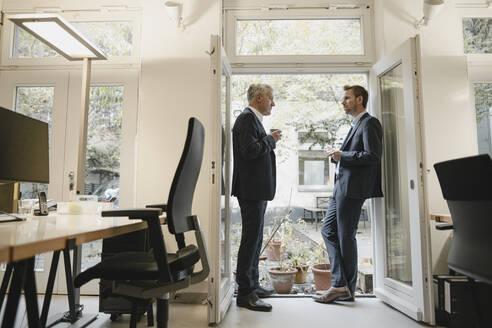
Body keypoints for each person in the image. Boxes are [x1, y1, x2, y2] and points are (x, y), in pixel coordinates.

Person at [313, 85, 383, 303]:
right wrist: (339, 155)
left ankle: (343, 288)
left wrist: (342, 155)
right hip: (341, 188)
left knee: (345, 237)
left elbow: (372, 156)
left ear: (359, 99)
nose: (342, 102)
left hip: (352, 190)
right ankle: (341, 284)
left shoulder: (369, 122)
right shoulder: (357, 124)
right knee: (328, 232)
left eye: (347, 98)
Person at [232, 84, 281, 312]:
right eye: (271, 98)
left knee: (256, 239)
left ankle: (252, 285)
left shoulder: (253, 120)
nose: (273, 103)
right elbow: (250, 151)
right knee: (251, 240)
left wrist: (269, 139)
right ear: (259, 98)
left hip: (256, 190)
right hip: (251, 191)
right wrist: (270, 140)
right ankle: (245, 293)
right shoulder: (245, 120)